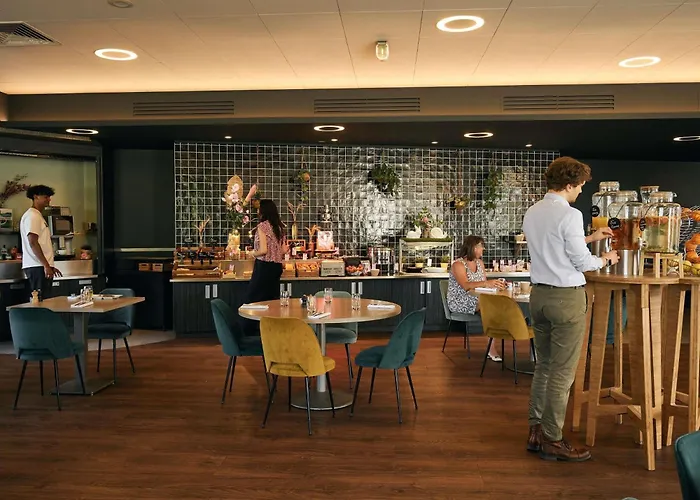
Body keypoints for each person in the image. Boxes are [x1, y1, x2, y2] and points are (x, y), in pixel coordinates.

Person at [522, 156, 618, 462]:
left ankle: (536, 430)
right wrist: (606, 259)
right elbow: (581, 262)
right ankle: (553, 439)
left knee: (544, 366)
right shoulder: (570, 214)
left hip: (539, 296)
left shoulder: (533, 211)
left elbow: (554, 245)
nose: (580, 191)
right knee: (562, 374)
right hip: (566, 299)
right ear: (568, 184)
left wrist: (589, 238)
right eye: (579, 186)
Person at [447, 235, 507, 361]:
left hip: (477, 299)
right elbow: (466, 286)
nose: (483, 249)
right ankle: (492, 348)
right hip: (459, 300)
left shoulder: (480, 263)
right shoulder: (458, 264)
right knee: (489, 307)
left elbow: (483, 286)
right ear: (473, 247)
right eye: (481, 246)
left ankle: (502, 334)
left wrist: (496, 286)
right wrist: (486, 283)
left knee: (494, 305)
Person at [241, 200, 287, 335]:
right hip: (276, 267)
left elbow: (263, 250)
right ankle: (271, 331)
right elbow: (282, 251)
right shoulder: (279, 227)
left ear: (264, 211)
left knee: (253, 299)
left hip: (264, 266)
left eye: (259, 209)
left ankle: (250, 331)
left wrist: (251, 253)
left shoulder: (262, 226)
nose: (257, 211)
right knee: (271, 301)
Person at [20, 184, 62, 300]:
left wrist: (50, 265)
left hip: (40, 266)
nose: (49, 199)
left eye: (49, 197)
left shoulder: (37, 216)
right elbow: (33, 242)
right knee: (39, 301)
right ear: (35, 197)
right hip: (37, 266)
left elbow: (41, 243)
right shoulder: (32, 216)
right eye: (46, 197)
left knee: (45, 300)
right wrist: (46, 265)